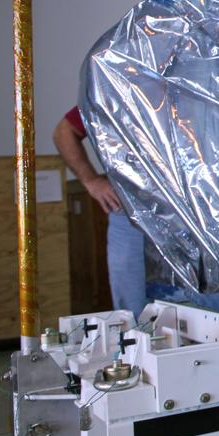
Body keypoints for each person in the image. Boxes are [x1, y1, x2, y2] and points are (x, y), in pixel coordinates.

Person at [53, 106, 148, 319]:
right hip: (128, 209)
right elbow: (64, 132)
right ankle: (136, 346)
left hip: (187, 215)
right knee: (131, 303)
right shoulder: (112, 90)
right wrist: (91, 180)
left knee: (191, 301)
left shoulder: (187, 85)